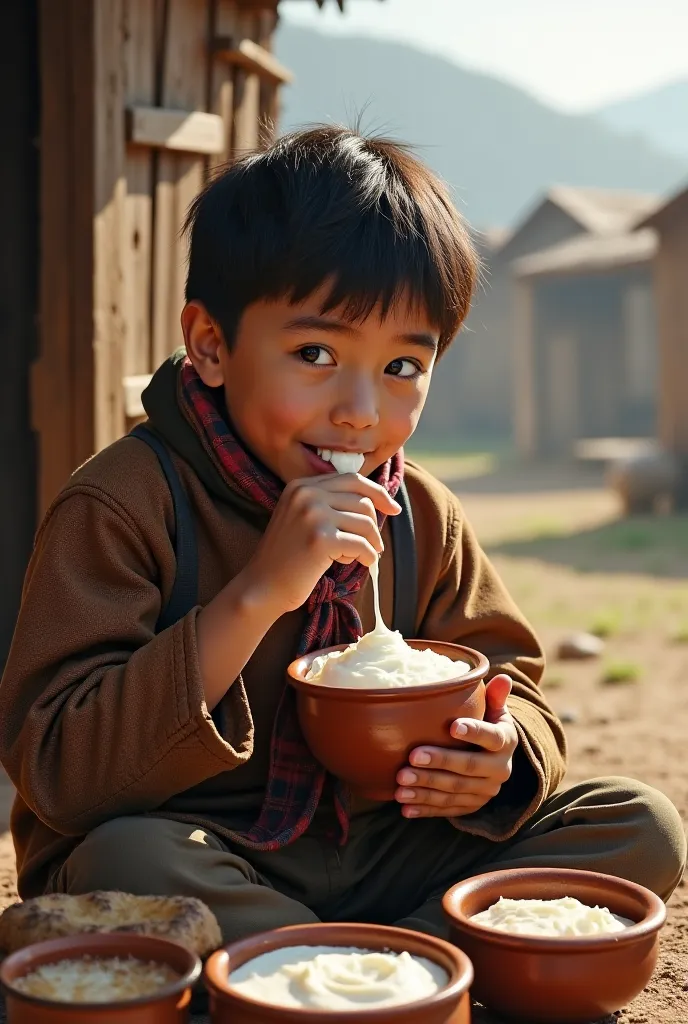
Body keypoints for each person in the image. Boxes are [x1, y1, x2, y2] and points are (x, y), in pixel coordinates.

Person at [0, 127, 684, 944]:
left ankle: (340, 964)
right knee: (126, 866)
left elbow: (510, 677)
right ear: (211, 345)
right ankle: (413, 959)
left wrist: (498, 755)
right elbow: (61, 772)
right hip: (206, 849)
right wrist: (260, 591)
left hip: (386, 849)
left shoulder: (420, 512)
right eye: (316, 351)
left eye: (403, 367)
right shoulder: (126, 503)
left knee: (636, 824)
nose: (362, 410)